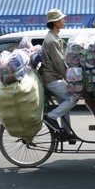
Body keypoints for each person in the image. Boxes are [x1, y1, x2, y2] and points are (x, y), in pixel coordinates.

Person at [39, 9, 78, 141]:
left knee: (64, 103)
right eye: (61, 19)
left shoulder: (55, 37)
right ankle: (51, 116)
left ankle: (66, 132)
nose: (64, 21)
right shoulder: (52, 40)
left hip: (55, 77)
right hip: (52, 79)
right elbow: (59, 64)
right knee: (74, 97)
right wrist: (71, 79)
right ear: (55, 22)